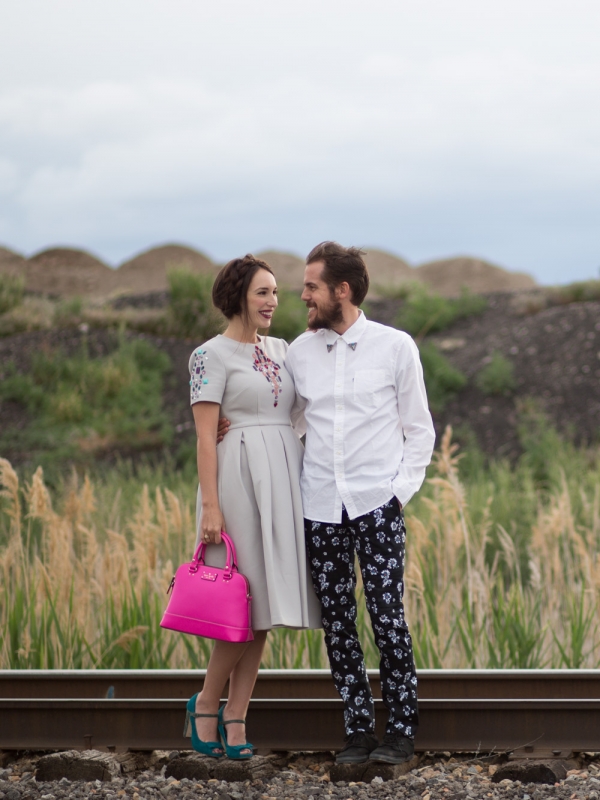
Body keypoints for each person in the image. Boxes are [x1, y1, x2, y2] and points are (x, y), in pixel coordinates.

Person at [284, 242, 436, 765]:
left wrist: (397, 495)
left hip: (376, 504)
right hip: (320, 507)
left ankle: (400, 734)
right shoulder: (298, 352)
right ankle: (357, 733)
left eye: (311, 286)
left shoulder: (396, 347)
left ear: (341, 291)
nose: (302, 294)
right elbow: (290, 419)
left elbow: (420, 430)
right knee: (339, 624)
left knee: (388, 618)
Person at [185, 254, 321, 760]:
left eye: (277, 293)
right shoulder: (209, 356)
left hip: (283, 480)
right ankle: (204, 702)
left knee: (262, 609)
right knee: (237, 607)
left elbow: (308, 411)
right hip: (237, 482)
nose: (273, 302)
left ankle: (237, 715)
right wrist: (210, 507)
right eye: (263, 292)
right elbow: (204, 438)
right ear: (239, 295)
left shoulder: (284, 349)